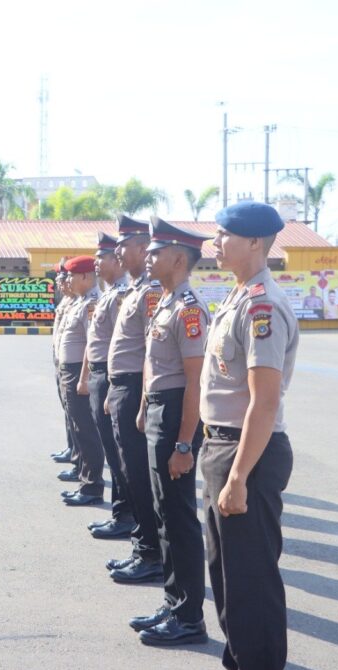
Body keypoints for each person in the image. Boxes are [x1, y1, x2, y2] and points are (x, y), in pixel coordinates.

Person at [201, 201, 298, 670]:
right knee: (226, 574)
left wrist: (238, 477)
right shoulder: (238, 296)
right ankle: (241, 665)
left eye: (225, 235)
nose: (215, 243)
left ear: (255, 242)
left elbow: (264, 401)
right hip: (223, 445)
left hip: (248, 452)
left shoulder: (263, 306)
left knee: (250, 578)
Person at [133, 217, 209, 647]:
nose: (148, 257)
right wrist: (145, 407)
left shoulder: (188, 308)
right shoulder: (164, 301)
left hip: (178, 413)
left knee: (179, 517)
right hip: (160, 410)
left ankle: (189, 618)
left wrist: (183, 443)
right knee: (163, 514)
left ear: (179, 259)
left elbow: (195, 382)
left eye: (156, 252)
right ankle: (172, 602)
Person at [106, 215, 164, 584]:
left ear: (143, 248)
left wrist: (140, 402)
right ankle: (142, 547)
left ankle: (150, 554)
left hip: (135, 388)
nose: (117, 252)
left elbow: (151, 354)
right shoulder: (135, 289)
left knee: (140, 478)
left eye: (123, 245)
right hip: (122, 387)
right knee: (130, 473)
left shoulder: (151, 291)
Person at [82, 233, 136, 539]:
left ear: (116, 260)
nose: (96, 263)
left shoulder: (121, 296)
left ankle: (125, 515)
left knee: (119, 454)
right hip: (101, 375)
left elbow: (121, 345)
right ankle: (121, 513)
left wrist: (112, 383)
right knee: (113, 452)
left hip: (111, 376)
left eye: (100, 257)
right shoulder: (109, 294)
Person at [56, 255, 105, 506]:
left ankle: (91, 486)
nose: (67, 281)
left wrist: (84, 377)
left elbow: (90, 344)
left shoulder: (91, 303)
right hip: (70, 370)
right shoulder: (80, 301)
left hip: (78, 372)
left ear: (85, 276)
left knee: (86, 430)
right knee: (78, 427)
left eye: (72, 276)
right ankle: (84, 478)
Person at [50, 264, 76, 465]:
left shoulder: (80, 301)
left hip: (74, 365)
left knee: (78, 416)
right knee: (68, 410)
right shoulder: (67, 301)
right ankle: (72, 448)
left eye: (63, 279)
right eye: (59, 280)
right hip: (61, 361)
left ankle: (78, 454)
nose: (60, 284)